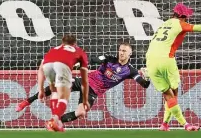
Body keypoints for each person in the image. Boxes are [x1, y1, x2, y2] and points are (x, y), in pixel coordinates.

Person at [16, 42, 150, 124]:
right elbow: (93, 59)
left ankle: (55, 121)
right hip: (85, 81)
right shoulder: (109, 59)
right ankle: (27, 102)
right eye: (120, 50)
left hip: (93, 92)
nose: (121, 53)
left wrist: (148, 77)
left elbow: (144, 84)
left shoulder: (130, 71)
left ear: (130, 53)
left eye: (124, 51)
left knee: (81, 112)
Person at [146, 3, 201, 131]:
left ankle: (164, 124)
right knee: (174, 93)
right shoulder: (180, 24)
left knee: (167, 94)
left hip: (150, 60)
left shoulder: (163, 24)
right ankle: (186, 125)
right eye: (187, 16)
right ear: (183, 16)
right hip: (166, 58)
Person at [38, 34, 90, 132]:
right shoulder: (79, 51)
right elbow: (85, 81)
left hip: (47, 65)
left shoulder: (54, 49)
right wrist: (85, 100)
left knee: (55, 92)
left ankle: (55, 122)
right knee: (64, 96)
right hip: (62, 65)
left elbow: (41, 69)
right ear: (75, 44)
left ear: (62, 42)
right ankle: (54, 121)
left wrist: (40, 89)